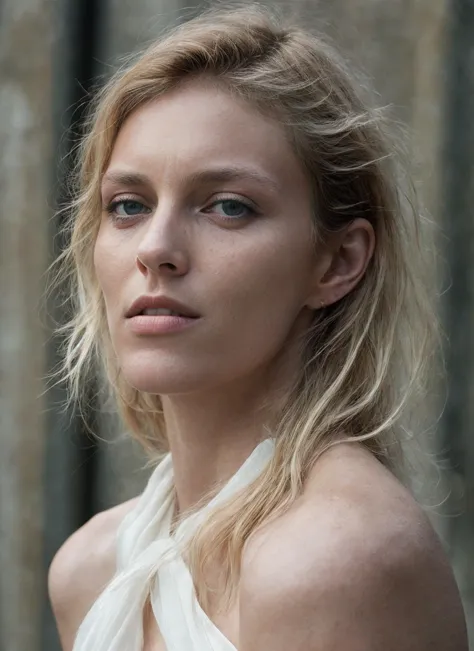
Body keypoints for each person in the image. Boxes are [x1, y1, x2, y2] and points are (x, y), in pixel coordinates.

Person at [47, 3, 468, 650]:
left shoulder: (332, 559)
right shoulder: (90, 569)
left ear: (337, 260)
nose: (155, 249)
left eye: (228, 207)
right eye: (127, 205)